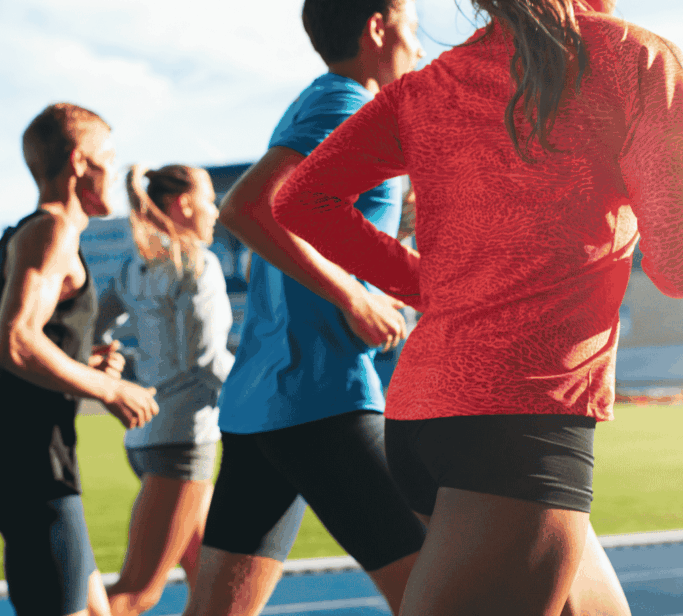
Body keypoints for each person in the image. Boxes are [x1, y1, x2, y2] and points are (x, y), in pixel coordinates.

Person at [272, 0, 683, 612]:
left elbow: (301, 200)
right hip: (519, 426)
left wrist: (425, 286)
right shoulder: (637, 58)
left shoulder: (428, 84)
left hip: (423, 417)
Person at [183, 2, 429, 615]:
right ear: (377, 27)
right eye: (413, 28)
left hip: (264, 401)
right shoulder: (345, 102)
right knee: (442, 599)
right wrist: (352, 297)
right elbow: (247, 207)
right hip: (323, 392)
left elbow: (319, 232)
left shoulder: (318, 101)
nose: (420, 48)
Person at [0, 102, 160, 616]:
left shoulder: (13, 239)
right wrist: (111, 389)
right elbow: (13, 344)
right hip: (35, 469)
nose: (114, 173)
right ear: (79, 162)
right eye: (108, 159)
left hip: (11, 463)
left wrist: (79, 367)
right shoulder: (51, 234)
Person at [95, 164, 235, 616]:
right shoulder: (198, 263)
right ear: (185, 204)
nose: (216, 211)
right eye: (211, 199)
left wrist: (106, 362)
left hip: (146, 438)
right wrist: (259, 393)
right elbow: (207, 360)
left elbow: (98, 324)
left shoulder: (136, 267)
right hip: (183, 442)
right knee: (136, 594)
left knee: (209, 580)